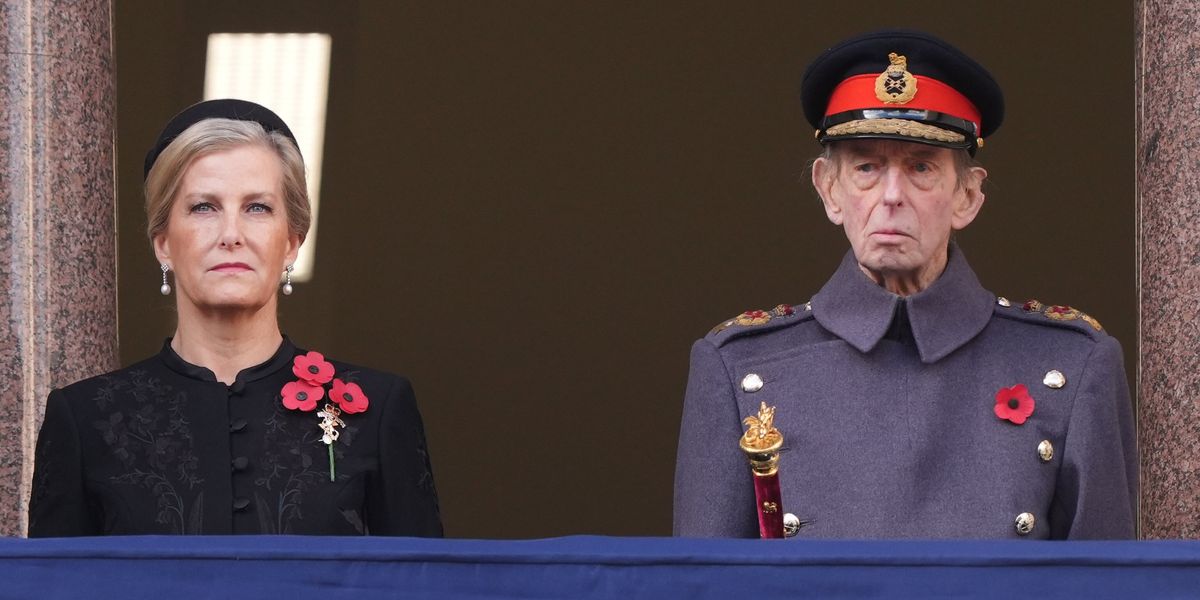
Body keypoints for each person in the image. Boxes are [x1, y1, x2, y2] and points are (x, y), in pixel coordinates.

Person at [673, 30, 1136, 539]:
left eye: (920, 167)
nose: (892, 195)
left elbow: (1105, 576)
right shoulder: (738, 368)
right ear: (829, 190)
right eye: (867, 167)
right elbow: (701, 577)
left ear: (967, 196)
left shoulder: (1072, 365)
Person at [28, 99, 443, 536]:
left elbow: (421, 572)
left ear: (292, 243)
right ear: (163, 242)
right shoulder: (84, 418)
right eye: (203, 207)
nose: (231, 235)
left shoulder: (378, 409)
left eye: (257, 207)